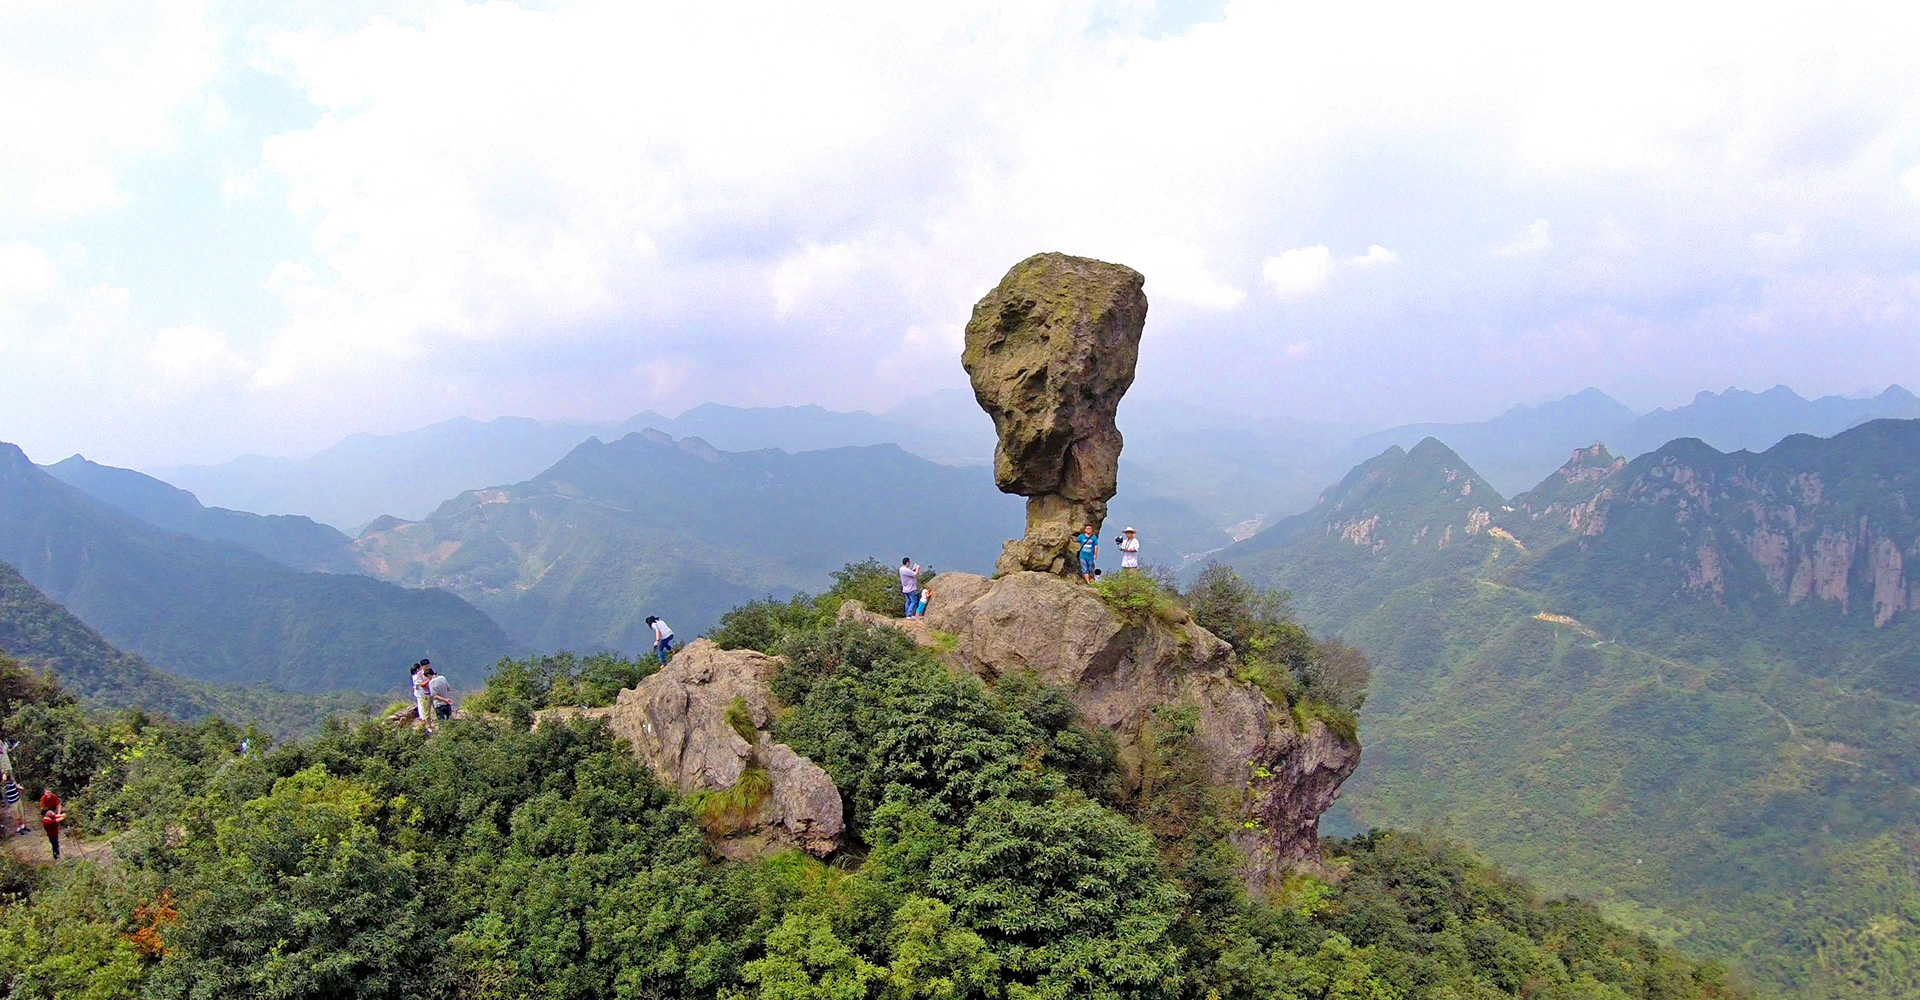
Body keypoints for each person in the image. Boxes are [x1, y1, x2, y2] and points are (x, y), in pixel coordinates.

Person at [39, 789, 63, 860]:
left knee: (56, 844)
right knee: (54, 845)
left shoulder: (50, 817)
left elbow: (56, 815)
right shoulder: (47, 822)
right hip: (52, 834)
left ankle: (57, 855)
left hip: (54, 833)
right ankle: (56, 856)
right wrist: (62, 817)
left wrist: (59, 814)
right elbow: (56, 820)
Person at [412, 659, 433, 725]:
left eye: (428, 666)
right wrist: (429, 680)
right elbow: (421, 684)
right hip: (423, 693)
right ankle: (425, 720)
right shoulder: (419, 674)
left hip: (432, 691)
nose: (427, 667)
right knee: (423, 707)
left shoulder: (432, 671)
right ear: (422, 666)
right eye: (426, 666)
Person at [2, 771, 23, 836]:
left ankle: (23, 826)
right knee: (16, 816)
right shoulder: (5, 786)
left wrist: (20, 789)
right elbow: (3, 786)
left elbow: (18, 788)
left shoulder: (12, 783)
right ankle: (18, 829)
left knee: (21, 813)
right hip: (13, 802)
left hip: (18, 800)